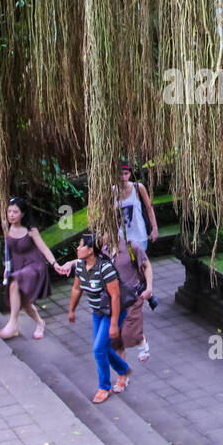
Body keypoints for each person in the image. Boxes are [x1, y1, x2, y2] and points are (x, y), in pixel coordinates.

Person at [66, 232, 131, 403]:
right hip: (98, 312)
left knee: (98, 349)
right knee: (102, 348)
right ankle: (124, 369)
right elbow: (76, 289)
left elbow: (115, 297)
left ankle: (104, 387)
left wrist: (114, 324)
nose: (78, 248)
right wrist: (71, 310)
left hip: (112, 312)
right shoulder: (80, 266)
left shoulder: (105, 268)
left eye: (81, 245)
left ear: (90, 251)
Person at [0, 197, 70, 340]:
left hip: (34, 266)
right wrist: (7, 269)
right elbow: (8, 249)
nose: (11, 215)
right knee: (24, 300)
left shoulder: (30, 230)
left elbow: (43, 249)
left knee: (14, 283)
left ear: (23, 214)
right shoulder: (6, 226)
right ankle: (40, 323)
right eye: (9, 211)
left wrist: (56, 264)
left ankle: (12, 324)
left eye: (15, 212)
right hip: (18, 267)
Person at [116, 164, 158, 360]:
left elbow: (148, 208)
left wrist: (154, 229)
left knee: (140, 269)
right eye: (121, 174)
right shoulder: (112, 191)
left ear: (130, 174)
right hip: (122, 238)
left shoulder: (138, 187)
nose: (124, 177)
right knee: (128, 272)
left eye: (126, 173)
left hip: (138, 235)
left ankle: (144, 293)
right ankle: (144, 294)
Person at [109, 231, 153, 360]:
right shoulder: (101, 249)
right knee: (116, 340)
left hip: (132, 296)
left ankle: (140, 340)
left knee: (128, 334)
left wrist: (149, 288)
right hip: (112, 299)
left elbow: (147, 266)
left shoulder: (131, 247)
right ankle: (123, 376)